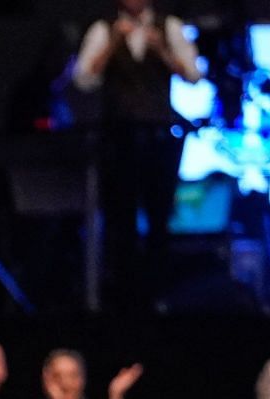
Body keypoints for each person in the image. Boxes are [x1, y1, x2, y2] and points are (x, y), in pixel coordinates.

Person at [73, 0, 202, 309]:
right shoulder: (104, 28)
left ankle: (158, 294)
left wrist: (162, 51)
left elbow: (193, 75)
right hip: (120, 138)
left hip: (159, 137)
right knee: (121, 219)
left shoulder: (167, 25)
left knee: (159, 218)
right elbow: (84, 79)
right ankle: (124, 297)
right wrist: (115, 41)